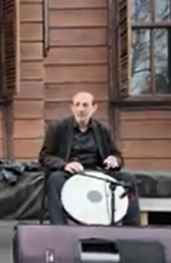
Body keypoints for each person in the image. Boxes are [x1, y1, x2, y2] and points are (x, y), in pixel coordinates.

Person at [39, 91, 141, 226]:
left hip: (97, 172)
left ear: (94, 108)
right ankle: (59, 227)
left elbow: (117, 155)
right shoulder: (58, 128)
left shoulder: (102, 129)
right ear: (72, 107)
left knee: (129, 179)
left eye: (85, 105)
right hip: (70, 173)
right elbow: (44, 157)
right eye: (77, 105)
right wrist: (65, 164)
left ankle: (131, 227)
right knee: (54, 180)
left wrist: (114, 160)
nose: (81, 109)